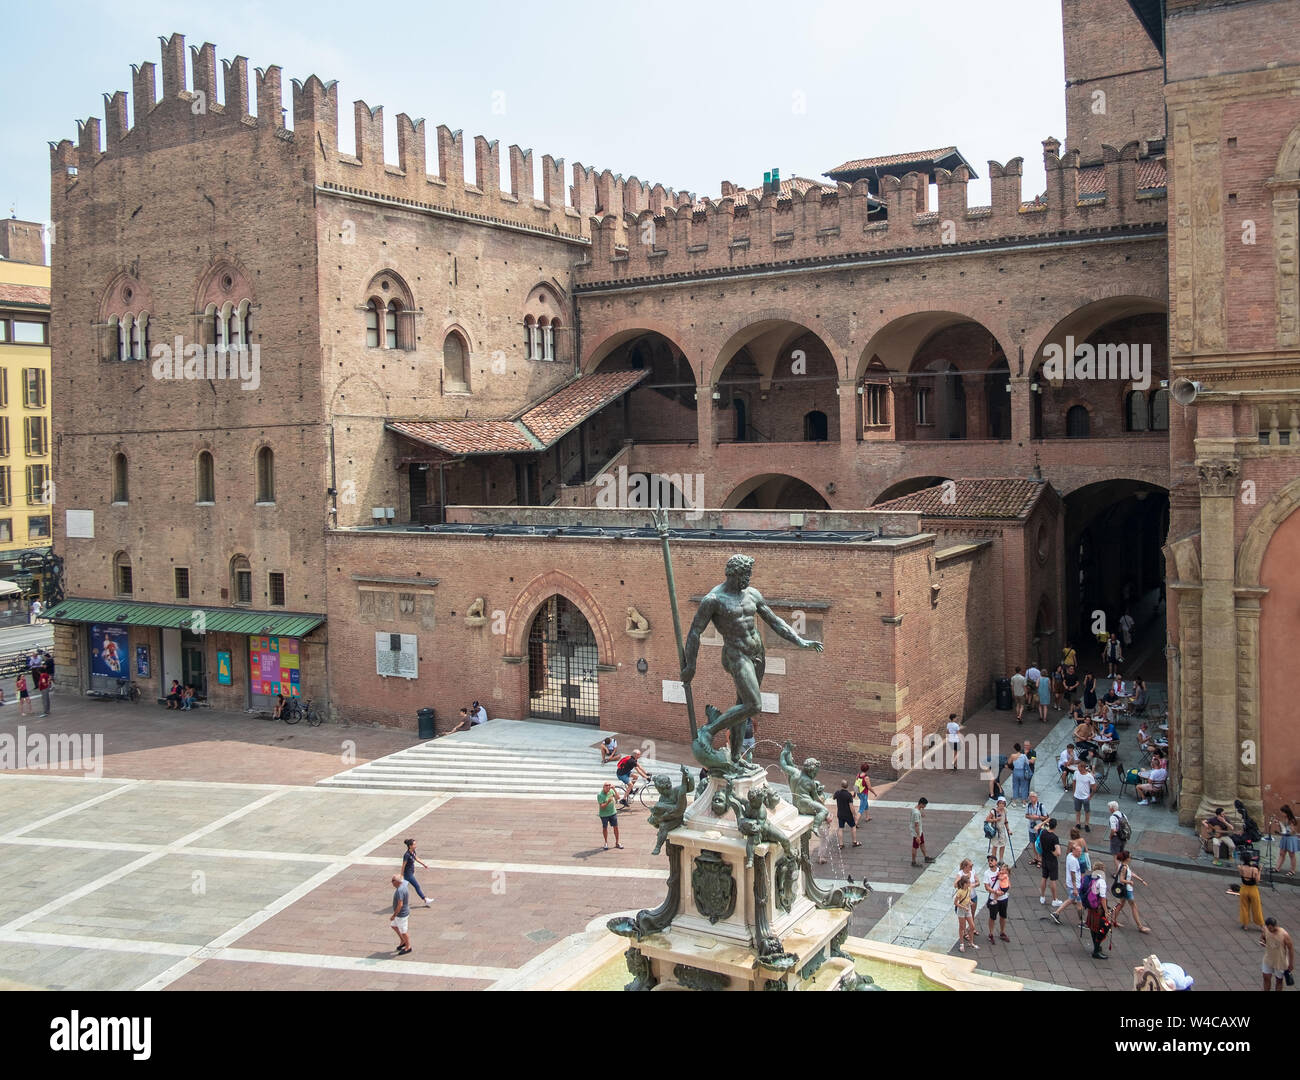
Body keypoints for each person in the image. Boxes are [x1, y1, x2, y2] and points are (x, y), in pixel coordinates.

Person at [680, 554, 823, 766]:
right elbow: (694, 633)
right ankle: (709, 730)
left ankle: (736, 757)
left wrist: (799, 641)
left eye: (749, 574)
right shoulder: (713, 600)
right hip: (736, 655)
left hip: (757, 654)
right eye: (745, 574)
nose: (748, 579)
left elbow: (775, 622)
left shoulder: (752, 594)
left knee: (743, 707)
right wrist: (691, 664)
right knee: (754, 705)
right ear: (733, 574)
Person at [1110, 849, 1150, 933]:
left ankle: (1113, 921)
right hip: (1127, 890)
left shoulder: (1123, 865)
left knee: (1121, 904)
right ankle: (1140, 927)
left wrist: (1141, 880)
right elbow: (1121, 879)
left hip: (1124, 890)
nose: (1131, 858)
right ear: (1127, 858)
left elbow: (1131, 873)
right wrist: (1130, 882)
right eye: (1130, 856)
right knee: (1133, 906)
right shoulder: (1124, 867)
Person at [1053, 839, 1087, 927]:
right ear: (1074, 850)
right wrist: (1075, 888)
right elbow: (1073, 875)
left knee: (1071, 900)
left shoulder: (1070, 856)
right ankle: (1081, 922)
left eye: (1080, 851)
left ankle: (1056, 913)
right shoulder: (1073, 861)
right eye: (1078, 851)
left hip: (1072, 885)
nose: (1080, 853)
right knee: (1079, 903)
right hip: (1074, 886)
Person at [1083, 868, 1112, 960]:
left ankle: (1096, 947)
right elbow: (1103, 898)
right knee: (1103, 928)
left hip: (1091, 908)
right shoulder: (1101, 882)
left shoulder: (1090, 878)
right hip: (1098, 910)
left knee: (1093, 928)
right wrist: (1106, 911)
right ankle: (1096, 950)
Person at [984, 855, 1011, 944]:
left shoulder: (1002, 870)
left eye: (992, 860)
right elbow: (986, 887)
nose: (990, 862)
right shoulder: (987, 873)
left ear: (996, 862)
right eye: (989, 861)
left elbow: (1008, 882)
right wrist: (995, 892)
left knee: (1003, 916)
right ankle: (991, 934)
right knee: (992, 917)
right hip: (993, 898)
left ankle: (1002, 932)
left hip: (1003, 898)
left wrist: (1003, 892)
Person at [1262, 917, 1294, 992]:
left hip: (1280, 962)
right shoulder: (1265, 929)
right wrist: (1262, 941)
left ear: (1275, 926)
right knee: (1266, 978)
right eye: (1268, 928)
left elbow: (1291, 949)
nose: (1270, 930)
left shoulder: (1284, 935)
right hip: (1268, 959)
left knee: (1279, 980)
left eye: (1271, 928)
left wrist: (1291, 964)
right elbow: (1263, 936)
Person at [1239, 851, 1265, 940]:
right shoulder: (1254, 869)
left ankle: (1245, 924)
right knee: (1256, 907)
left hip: (1244, 889)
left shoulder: (1240, 867)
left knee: (1244, 906)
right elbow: (1257, 880)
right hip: (1253, 889)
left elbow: (1242, 875)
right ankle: (1261, 925)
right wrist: (1260, 870)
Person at [1038, 817, 1063, 907]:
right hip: (1052, 861)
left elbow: (1037, 827)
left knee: (1044, 877)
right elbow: (1058, 853)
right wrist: (1053, 852)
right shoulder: (1054, 838)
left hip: (1044, 858)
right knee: (1053, 880)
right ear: (1055, 826)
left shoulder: (1043, 833)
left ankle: (1042, 897)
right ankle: (1054, 899)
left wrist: (1045, 821)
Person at [954, 864, 978, 952]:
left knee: (972, 926)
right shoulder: (959, 892)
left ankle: (971, 942)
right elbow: (955, 903)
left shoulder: (969, 889)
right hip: (961, 910)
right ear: (965, 884)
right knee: (962, 927)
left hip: (967, 909)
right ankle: (961, 944)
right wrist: (964, 907)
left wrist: (970, 902)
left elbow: (968, 898)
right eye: (968, 882)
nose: (970, 883)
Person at [401, 838, 431, 906]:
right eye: (414, 844)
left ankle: (399, 900)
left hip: (411, 872)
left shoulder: (413, 851)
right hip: (408, 874)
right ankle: (425, 899)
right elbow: (403, 866)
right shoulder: (407, 855)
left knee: (403, 888)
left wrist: (424, 864)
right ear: (410, 846)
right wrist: (401, 875)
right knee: (417, 886)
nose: (416, 846)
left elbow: (416, 858)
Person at [833, 780, 861, 849]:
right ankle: (854, 842)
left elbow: (833, 797)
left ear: (841, 785)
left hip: (840, 814)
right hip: (848, 815)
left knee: (840, 828)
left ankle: (841, 844)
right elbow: (851, 806)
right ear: (847, 786)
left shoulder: (837, 792)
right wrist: (854, 814)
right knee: (853, 826)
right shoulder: (848, 795)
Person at [389, 874, 412, 955]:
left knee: (404, 931)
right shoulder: (403, 885)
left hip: (401, 915)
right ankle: (403, 941)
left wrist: (394, 915)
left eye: (393, 880)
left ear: (398, 882)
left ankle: (408, 947)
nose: (391, 882)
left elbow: (400, 904)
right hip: (400, 914)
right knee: (394, 926)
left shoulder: (399, 891)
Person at [1274, 805, 1299, 876]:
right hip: (1285, 838)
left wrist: (1286, 832)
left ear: (1286, 812)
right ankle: (1277, 868)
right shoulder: (1284, 819)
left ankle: (1292, 871)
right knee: (1281, 853)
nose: (1281, 813)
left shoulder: (1292, 820)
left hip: (1291, 839)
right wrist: (1279, 825)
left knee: (1291, 855)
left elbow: (1293, 832)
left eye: (1282, 812)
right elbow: (1282, 830)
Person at [597, 781, 623, 850]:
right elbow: (602, 806)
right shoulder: (600, 795)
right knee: (605, 828)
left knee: (616, 827)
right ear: (603, 787)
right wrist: (608, 801)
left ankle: (617, 842)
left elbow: (618, 798)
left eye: (609, 785)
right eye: (606, 785)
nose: (608, 787)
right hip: (604, 814)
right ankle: (606, 842)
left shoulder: (611, 791)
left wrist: (614, 789)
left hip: (612, 812)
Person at [1025, 793, 1047, 867]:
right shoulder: (1028, 805)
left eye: (1033, 796)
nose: (1032, 798)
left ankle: (1040, 859)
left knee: (1039, 844)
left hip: (1039, 828)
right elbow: (1026, 815)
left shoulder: (1041, 806)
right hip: (1031, 828)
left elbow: (1045, 817)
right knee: (1033, 843)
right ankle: (1036, 857)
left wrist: (1037, 817)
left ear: (1037, 798)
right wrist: (1031, 816)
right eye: (1030, 797)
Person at [985, 797, 1008, 863]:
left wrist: (1008, 830)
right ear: (997, 803)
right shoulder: (993, 811)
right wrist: (995, 820)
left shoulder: (1005, 810)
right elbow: (987, 820)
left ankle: (1001, 859)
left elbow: (1006, 821)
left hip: (1002, 830)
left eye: (1003, 803)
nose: (1001, 805)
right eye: (1000, 803)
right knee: (995, 846)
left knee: (1003, 845)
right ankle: (994, 860)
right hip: (995, 831)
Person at [910, 797, 933, 866]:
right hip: (916, 832)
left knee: (922, 844)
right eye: (924, 805)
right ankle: (913, 862)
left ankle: (926, 857)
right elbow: (916, 825)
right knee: (915, 847)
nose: (925, 807)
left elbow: (918, 811)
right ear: (921, 804)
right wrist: (917, 836)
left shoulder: (915, 808)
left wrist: (921, 812)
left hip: (919, 831)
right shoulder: (916, 813)